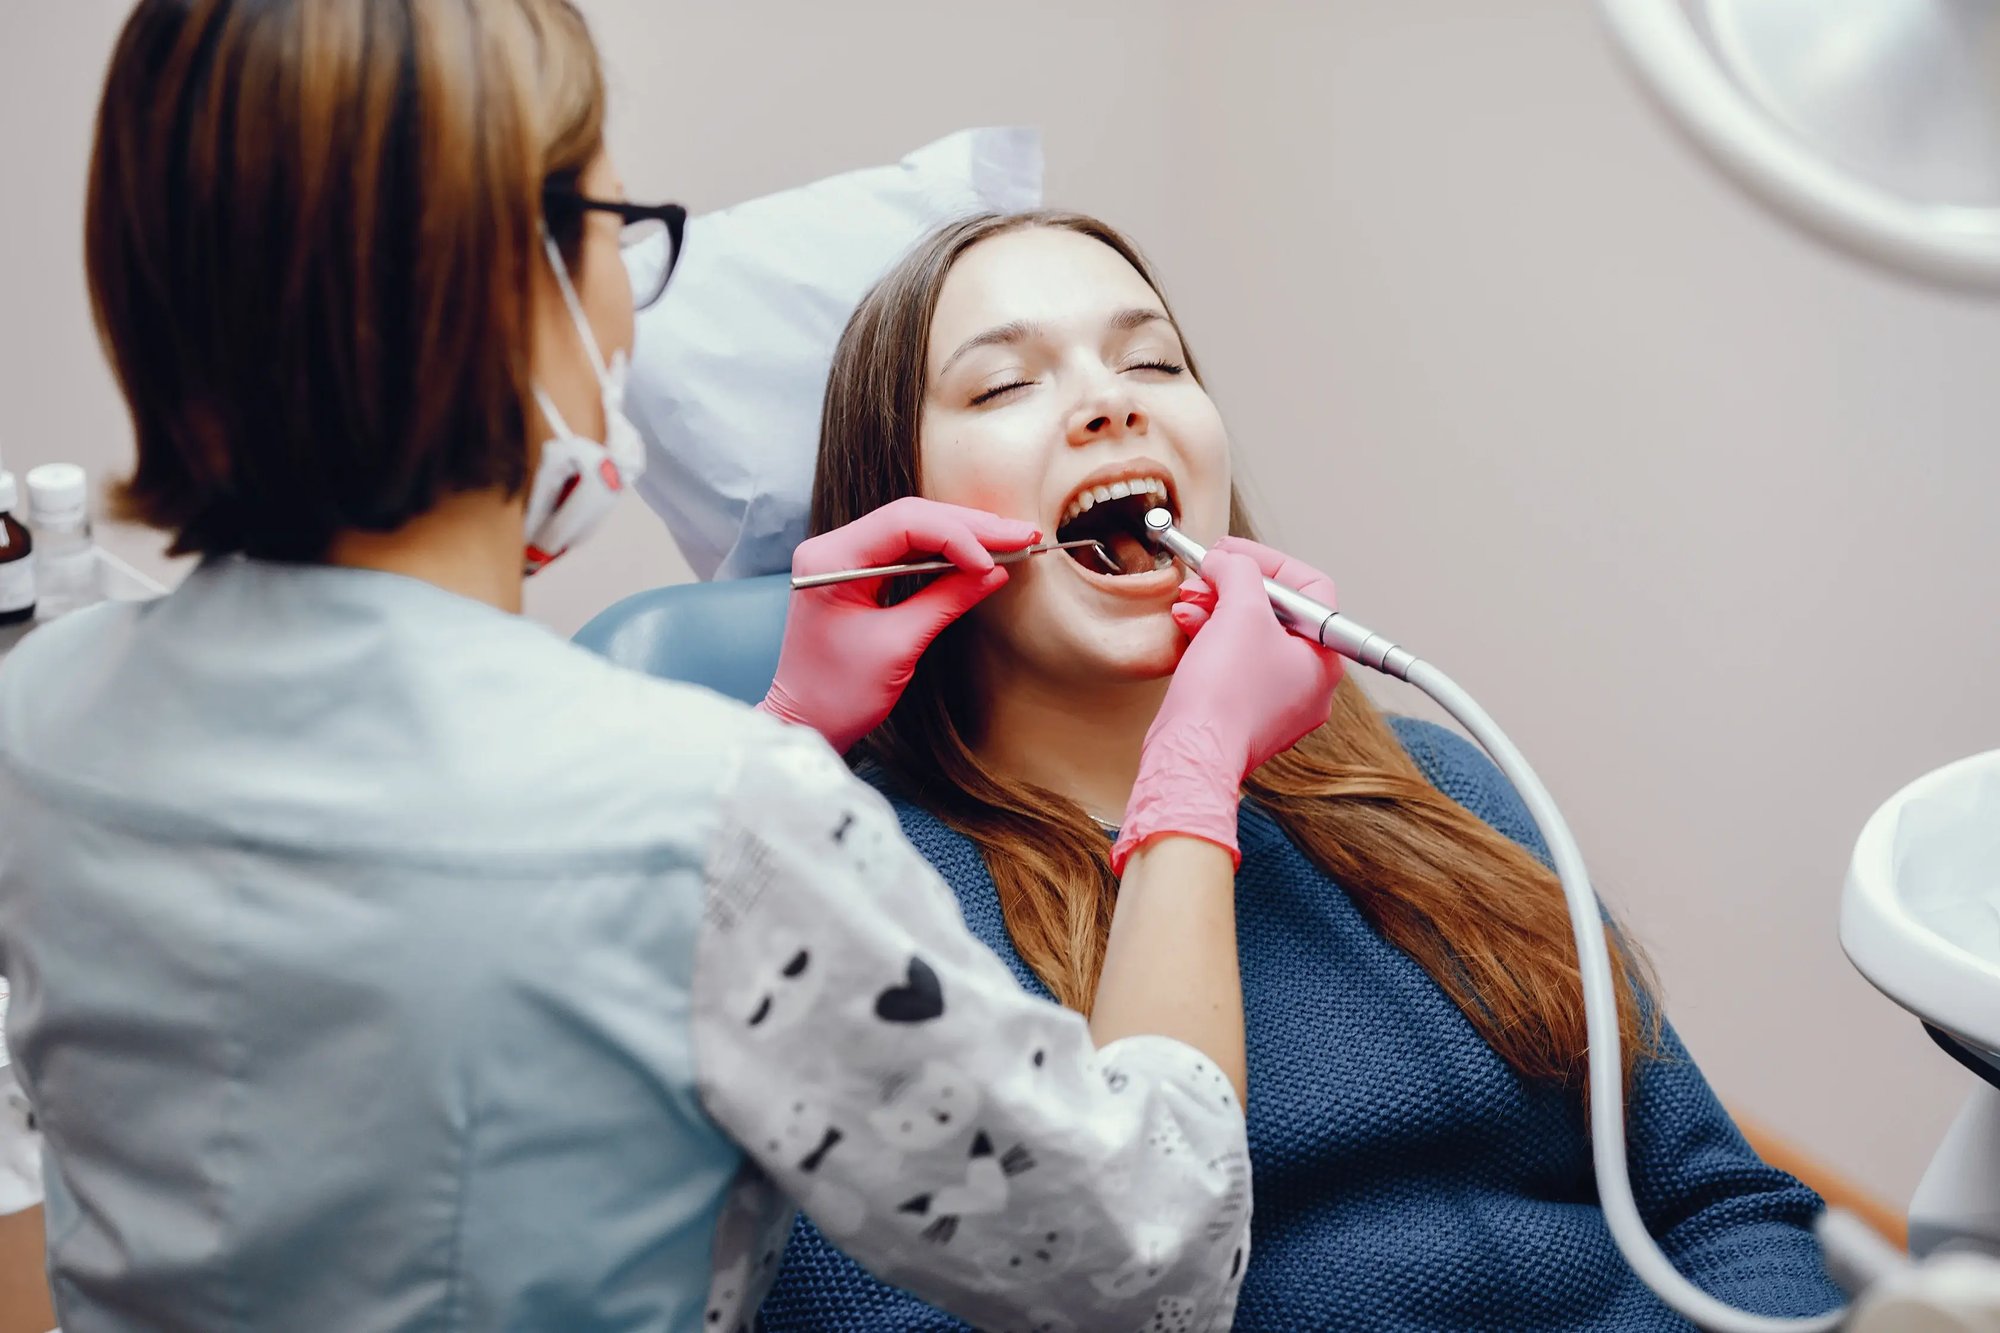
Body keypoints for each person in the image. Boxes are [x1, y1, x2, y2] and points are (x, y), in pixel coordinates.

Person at [0, 6, 1344, 1330]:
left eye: (1151, 357)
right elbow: (1145, 1268)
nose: (626, 320)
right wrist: (1190, 778)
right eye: (614, 235)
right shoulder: (710, 817)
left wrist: (786, 740)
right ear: (500, 291)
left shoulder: (37, 722)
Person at [754, 210, 1852, 1330]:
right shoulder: (850, 914)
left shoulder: (1432, 786)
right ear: (899, 509)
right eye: (1002, 387)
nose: (1111, 400)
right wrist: (1188, 775)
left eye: (1153, 361)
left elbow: (1722, 1207)